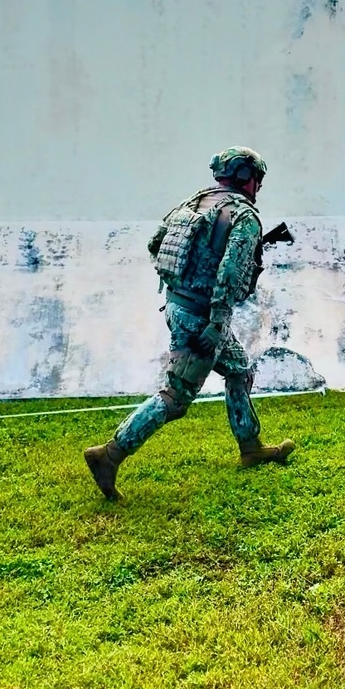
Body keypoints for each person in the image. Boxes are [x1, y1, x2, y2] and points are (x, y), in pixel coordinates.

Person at [84, 148, 294, 500]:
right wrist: (216, 321)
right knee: (176, 396)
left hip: (179, 305)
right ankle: (109, 454)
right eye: (257, 178)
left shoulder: (193, 204)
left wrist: (186, 282)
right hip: (204, 317)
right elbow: (230, 271)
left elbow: (156, 245)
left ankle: (251, 446)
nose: (259, 185)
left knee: (239, 370)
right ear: (246, 176)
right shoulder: (244, 216)